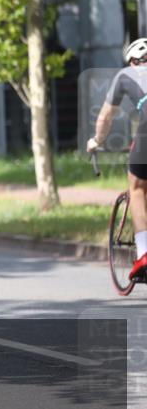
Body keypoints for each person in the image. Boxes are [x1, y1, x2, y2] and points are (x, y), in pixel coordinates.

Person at [88, 37, 147, 281]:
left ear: (133, 61)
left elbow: (105, 117)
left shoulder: (125, 75)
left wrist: (97, 140)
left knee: (137, 188)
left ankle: (144, 253)